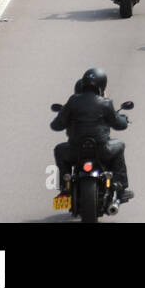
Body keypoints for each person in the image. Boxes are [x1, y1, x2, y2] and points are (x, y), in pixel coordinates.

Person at [51, 68, 132, 204]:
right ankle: (120, 187)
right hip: (102, 150)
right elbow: (119, 124)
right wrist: (124, 119)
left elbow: (56, 125)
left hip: (75, 151)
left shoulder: (72, 101)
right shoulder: (106, 103)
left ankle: (65, 186)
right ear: (102, 84)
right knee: (120, 145)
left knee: (59, 149)